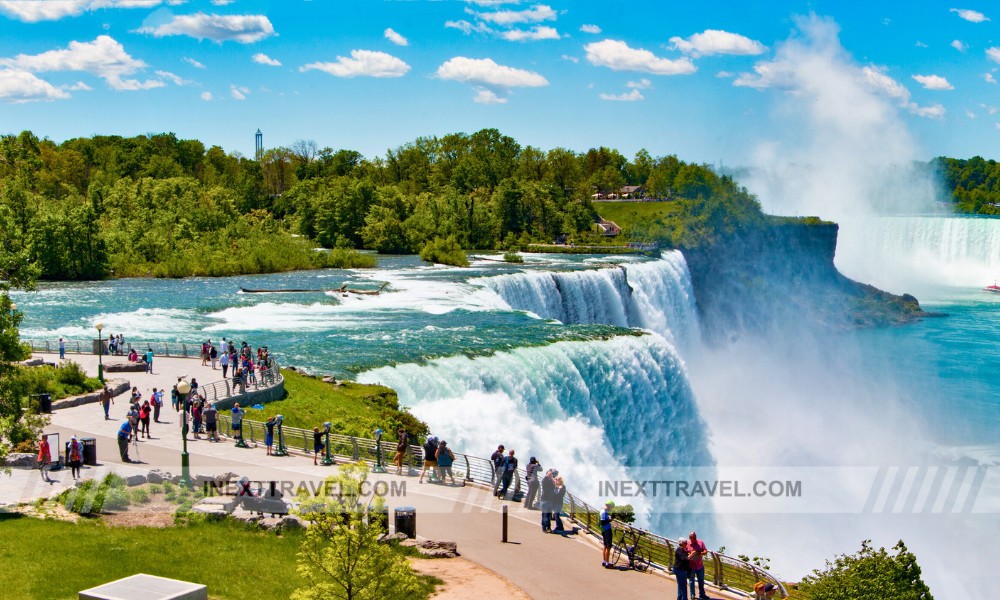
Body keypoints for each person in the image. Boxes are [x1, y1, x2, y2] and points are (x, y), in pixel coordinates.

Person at [688, 531, 709, 599]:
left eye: (693, 537)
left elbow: (705, 551)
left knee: (701, 581)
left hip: (700, 566)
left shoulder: (700, 542)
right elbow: (685, 553)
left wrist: (701, 553)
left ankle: (702, 594)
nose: (692, 539)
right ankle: (692, 595)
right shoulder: (688, 544)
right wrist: (691, 554)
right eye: (691, 538)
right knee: (691, 581)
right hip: (691, 566)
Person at [600, 501, 614, 567]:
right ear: (609, 506)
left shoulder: (602, 510)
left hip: (604, 530)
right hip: (606, 530)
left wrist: (608, 517)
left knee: (605, 546)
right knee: (608, 547)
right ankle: (607, 563)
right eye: (611, 507)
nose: (611, 509)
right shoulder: (603, 512)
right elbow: (603, 522)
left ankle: (604, 561)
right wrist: (610, 519)